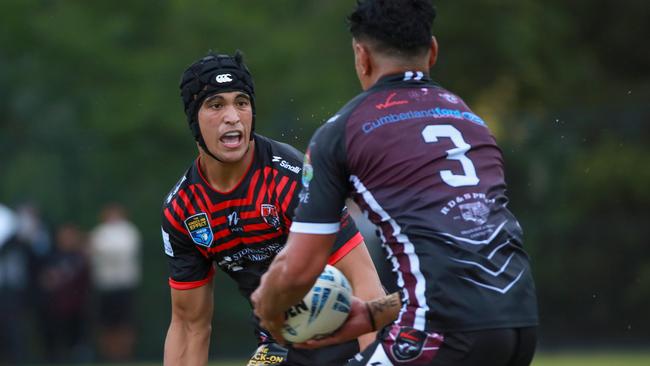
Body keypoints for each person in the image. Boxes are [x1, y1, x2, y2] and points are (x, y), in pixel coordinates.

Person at [251, 1, 539, 365]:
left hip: (441, 333)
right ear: (432, 51)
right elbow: (464, 265)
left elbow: (299, 268)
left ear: (362, 56)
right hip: (520, 326)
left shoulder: (343, 131)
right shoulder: (470, 121)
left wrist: (269, 308)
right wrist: (373, 315)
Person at [161, 50, 385, 366]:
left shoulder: (291, 178)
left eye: (241, 102)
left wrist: (375, 361)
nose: (232, 116)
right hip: (280, 348)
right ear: (192, 119)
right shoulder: (183, 210)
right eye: (215, 105)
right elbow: (188, 325)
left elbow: (366, 286)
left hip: (349, 339)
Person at [89, 203, 142, 361]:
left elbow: (124, 252)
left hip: (124, 284)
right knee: (106, 324)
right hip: (105, 285)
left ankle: (125, 355)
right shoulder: (100, 232)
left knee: (125, 322)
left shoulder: (129, 231)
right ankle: (110, 356)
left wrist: (103, 251)